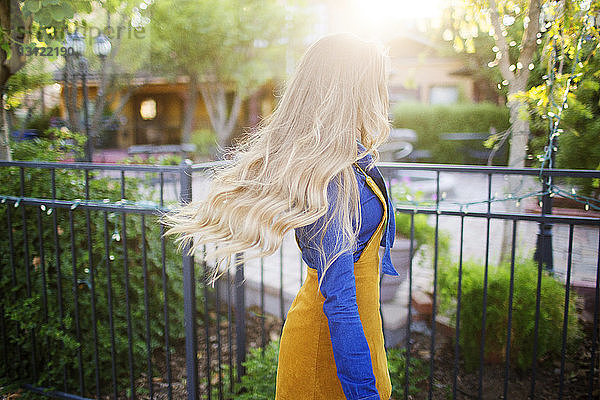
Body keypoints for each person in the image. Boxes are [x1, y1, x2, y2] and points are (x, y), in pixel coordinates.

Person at [161, 32, 398, 400]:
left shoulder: (346, 162)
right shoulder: (336, 181)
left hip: (358, 337)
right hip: (329, 353)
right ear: (356, 91)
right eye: (379, 83)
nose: (385, 93)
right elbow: (340, 301)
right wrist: (364, 393)